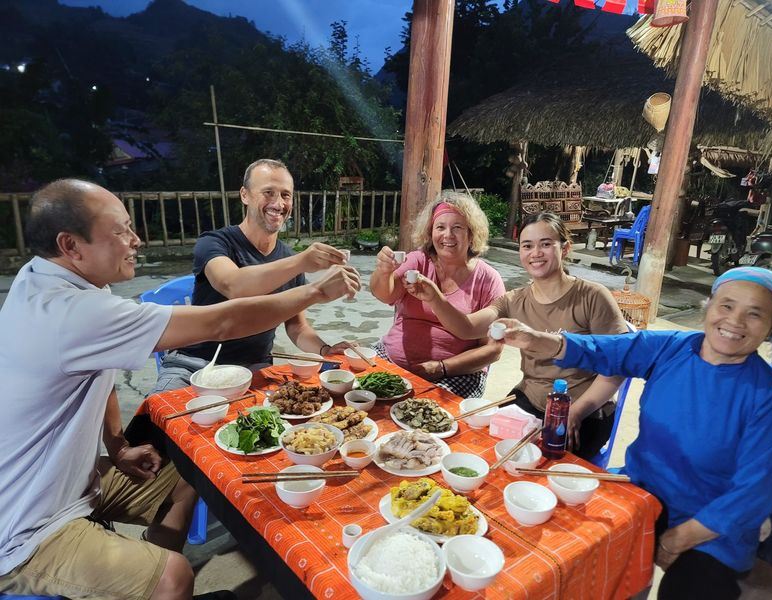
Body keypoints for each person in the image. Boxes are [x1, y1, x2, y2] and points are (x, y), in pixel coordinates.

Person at [0, 179, 360, 599]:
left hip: (76, 486)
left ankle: (143, 572)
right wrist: (315, 290)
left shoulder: (45, 279)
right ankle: (157, 580)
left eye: (285, 195)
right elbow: (223, 316)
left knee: (194, 472)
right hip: (28, 528)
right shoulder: (75, 310)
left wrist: (116, 446)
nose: (136, 240)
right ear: (71, 245)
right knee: (175, 576)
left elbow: (101, 374)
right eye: (121, 231)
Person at [496, 266, 772, 600]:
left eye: (754, 314)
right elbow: (605, 349)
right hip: (641, 489)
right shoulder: (675, 347)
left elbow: (751, 498)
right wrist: (536, 339)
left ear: (770, 328)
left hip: (711, 526)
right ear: (709, 306)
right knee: (568, 549)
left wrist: (674, 540)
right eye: (726, 305)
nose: (735, 321)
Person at [405, 212, 627, 459]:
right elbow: (466, 327)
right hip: (529, 400)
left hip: (584, 409)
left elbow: (618, 365)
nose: (536, 253)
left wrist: (577, 411)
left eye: (545, 244)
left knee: (543, 464)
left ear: (564, 249)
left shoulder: (592, 296)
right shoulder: (514, 300)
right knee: (484, 448)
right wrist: (435, 297)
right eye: (527, 246)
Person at [153, 159, 352, 393]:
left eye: (286, 195)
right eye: (268, 192)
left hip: (254, 368)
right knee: (157, 422)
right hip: (193, 365)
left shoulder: (289, 259)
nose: (278, 204)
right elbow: (233, 284)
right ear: (245, 195)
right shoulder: (215, 242)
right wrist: (302, 263)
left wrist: (324, 350)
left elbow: (297, 327)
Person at [369, 190, 505, 397]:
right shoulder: (418, 261)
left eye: (457, 227)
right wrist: (383, 271)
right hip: (391, 358)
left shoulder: (488, 279)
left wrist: (443, 367)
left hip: (455, 373)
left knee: (427, 418)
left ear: (471, 234)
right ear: (430, 234)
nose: (447, 235)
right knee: (355, 392)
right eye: (440, 227)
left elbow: (493, 350)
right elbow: (384, 294)